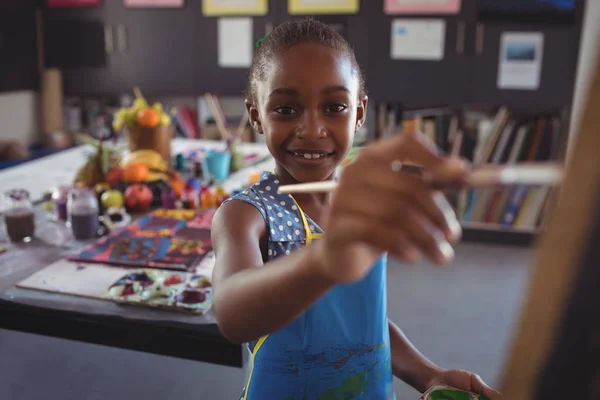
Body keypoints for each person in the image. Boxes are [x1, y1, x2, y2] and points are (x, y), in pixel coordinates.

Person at [211, 19, 500, 400]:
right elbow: (233, 313)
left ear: (360, 113)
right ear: (256, 116)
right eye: (285, 108)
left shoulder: (361, 201)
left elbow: (362, 323)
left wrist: (428, 375)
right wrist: (322, 261)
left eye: (334, 107)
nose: (312, 129)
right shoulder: (247, 214)